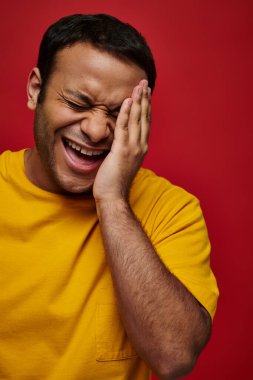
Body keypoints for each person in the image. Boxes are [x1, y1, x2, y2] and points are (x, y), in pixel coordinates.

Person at [0, 14, 219, 380]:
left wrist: (113, 200)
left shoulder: (173, 209)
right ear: (35, 90)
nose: (97, 129)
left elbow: (175, 357)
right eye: (78, 102)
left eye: (118, 115)